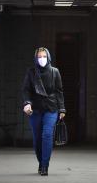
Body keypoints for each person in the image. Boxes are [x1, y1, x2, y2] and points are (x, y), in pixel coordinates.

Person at [22, 47, 66, 176]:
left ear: (48, 57)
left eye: (44, 56)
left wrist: (62, 108)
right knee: (37, 138)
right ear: (35, 58)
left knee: (47, 135)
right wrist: (27, 103)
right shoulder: (31, 72)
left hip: (51, 108)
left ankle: (45, 165)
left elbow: (59, 91)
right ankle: (41, 162)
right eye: (39, 57)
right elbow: (26, 90)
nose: (42, 59)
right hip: (35, 110)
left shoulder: (54, 72)